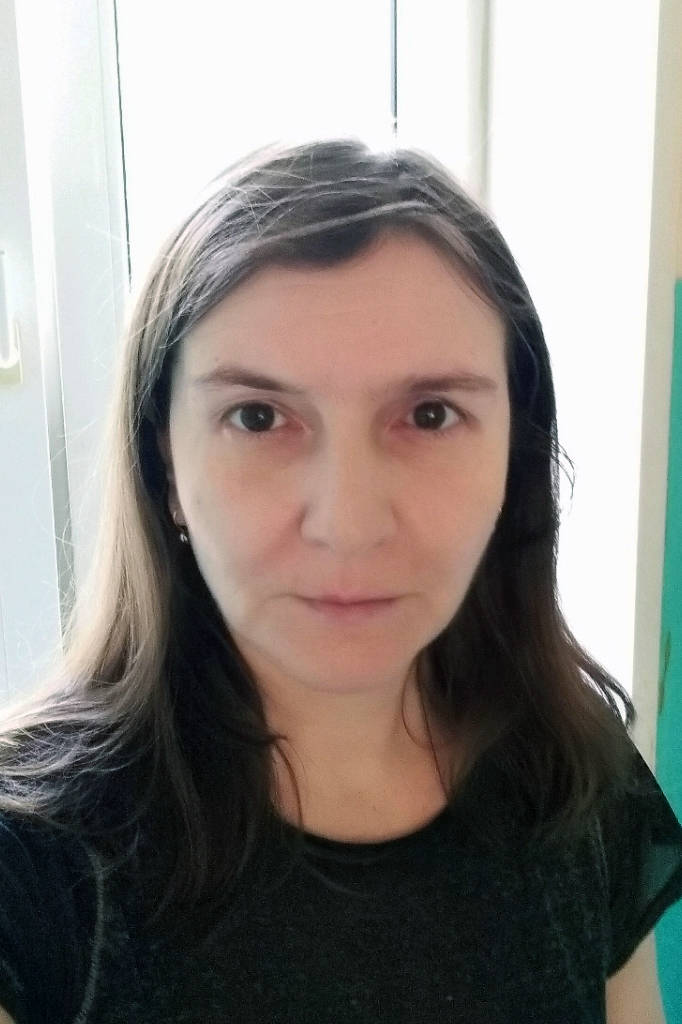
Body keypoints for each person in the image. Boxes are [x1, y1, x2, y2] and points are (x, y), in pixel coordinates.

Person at [0, 137, 680, 1024]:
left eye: (430, 414)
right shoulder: (27, 861)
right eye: (258, 417)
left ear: (515, 455)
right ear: (165, 466)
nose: (349, 524)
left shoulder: (571, 771)